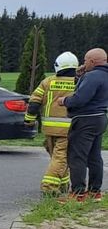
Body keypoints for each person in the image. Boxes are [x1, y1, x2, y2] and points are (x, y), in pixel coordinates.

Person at [25, 52, 78, 196]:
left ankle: (63, 184)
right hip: (69, 128)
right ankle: (49, 187)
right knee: (61, 158)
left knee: (57, 157)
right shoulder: (79, 82)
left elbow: (34, 102)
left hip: (49, 129)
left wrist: (29, 120)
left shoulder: (47, 82)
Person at [60, 47, 108, 202]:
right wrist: (80, 77)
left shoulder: (93, 76)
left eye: (85, 60)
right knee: (94, 157)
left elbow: (80, 99)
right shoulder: (104, 75)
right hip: (100, 118)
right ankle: (95, 192)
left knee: (77, 156)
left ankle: (78, 193)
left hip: (85, 120)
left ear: (92, 61)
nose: (83, 63)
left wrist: (65, 101)